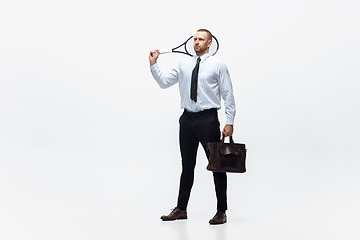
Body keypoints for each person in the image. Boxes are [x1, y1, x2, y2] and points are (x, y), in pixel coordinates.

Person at [149, 29, 236, 225]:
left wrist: (229, 122)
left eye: (201, 39)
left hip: (208, 121)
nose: (196, 42)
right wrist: (154, 65)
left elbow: (228, 95)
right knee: (186, 166)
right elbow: (164, 83)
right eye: (195, 39)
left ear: (209, 43)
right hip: (187, 121)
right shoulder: (183, 64)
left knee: (217, 166)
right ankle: (181, 209)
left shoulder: (217, 66)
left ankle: (221, 211)